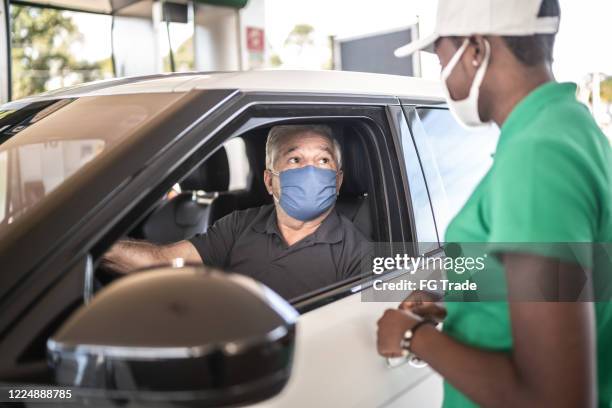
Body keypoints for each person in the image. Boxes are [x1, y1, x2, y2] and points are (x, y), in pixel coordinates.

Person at [376, 0, 612, 407]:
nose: (442, 73)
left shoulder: (536, 156)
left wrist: (414, 336)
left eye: (440, 56)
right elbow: (572, 281)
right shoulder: (569, 125)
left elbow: (556, 398)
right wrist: (456, 297)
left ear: (475, 50)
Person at [102, 124, 367, 299]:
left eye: (323, 160)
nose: (310, 170)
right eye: (294, 159)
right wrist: (90, 245)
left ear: (338, 180)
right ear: (269, 180)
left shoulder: (358, 251)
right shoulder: (239, 225)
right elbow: (162, 262)